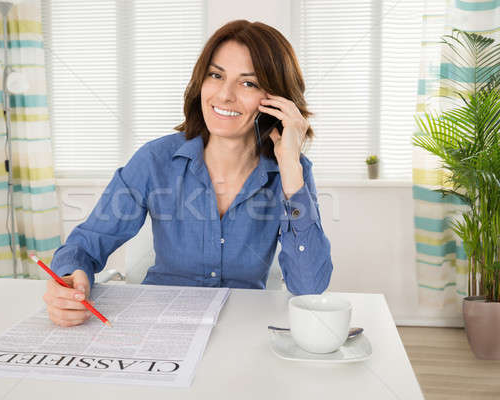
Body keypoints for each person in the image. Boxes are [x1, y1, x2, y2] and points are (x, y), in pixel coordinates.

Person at [43, 20, 333, 327]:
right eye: (216, 75)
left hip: (242, 331)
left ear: (277, 100)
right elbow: (86, 245)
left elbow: (310, 287)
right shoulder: (156, 159)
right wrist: (68, 280)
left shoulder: (291, 173)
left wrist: (290, 169)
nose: (224, 95)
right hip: (159, 326)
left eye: (248, 83)